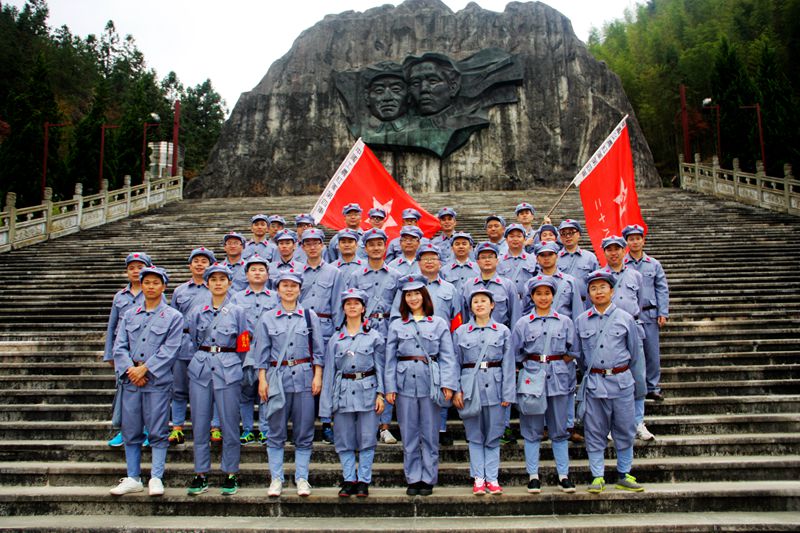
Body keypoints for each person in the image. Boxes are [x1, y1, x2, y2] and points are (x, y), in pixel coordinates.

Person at [109, 266, 182, 497]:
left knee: (158, 429)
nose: (151, 287)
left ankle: (156, 476)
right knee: (130, 430)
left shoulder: (173, 316)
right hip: (131, 380)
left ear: (163, 286)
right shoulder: (129, 314)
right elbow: (119, 345)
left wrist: (145, 370)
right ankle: (133, 476)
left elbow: (170, 349)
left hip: (156, 381)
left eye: (155, 283)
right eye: (147, 282)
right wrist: (131, 370)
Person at [384, 275, 458, 496]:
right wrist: (390, 387)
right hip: (405, 381)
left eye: (417, 294)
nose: (413, 298)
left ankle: (428, 477)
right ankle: (413, 477)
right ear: (403, 299)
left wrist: (448, 383)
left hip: (430, 382)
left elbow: (447, 356)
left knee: (429, 432)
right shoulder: (397, 324)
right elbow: (390, 358)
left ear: (424, 297)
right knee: (409, 433)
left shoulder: (438, 323)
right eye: (409, 295)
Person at [574, 270, 646, 494]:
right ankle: (597, 475)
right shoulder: (581, 321)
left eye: (602, 287)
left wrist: (639, 387)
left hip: (622, 381)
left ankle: (624, 473)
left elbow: (635, 354)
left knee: (624, 429)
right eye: (593, 288)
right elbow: (580, 357)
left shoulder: (625, 319)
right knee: (594, 431)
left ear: (612, 291)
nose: (598, 292)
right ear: (588, 294)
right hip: (595, 382)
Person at [254, 270, 325, 497]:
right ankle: (276, 478)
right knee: (275, 431)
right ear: (277, 289)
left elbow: (318, 350)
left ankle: (301, 478)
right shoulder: (267, 317)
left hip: (304, 377)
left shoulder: (309, 316)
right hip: (277, 379)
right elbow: (262, 352)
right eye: (284, 285)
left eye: (293, 285)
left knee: (304, 431)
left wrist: (318, 375)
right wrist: (262, 379)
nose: (289, 289)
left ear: (299, 289)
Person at [184, 263, 248, 496]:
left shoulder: (238, 311)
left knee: (229, 421)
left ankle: (230, 472)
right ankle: (200, 473)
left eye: (223, 279)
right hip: (201, 367)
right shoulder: (197, 311)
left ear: (230, 283)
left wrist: (234, 364)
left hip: (228, 366)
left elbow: (243, 343)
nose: (218, 283)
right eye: (214, 279)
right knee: (200, 423)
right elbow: (192, 339)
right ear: (207, 283)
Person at [511, 275, 579, 494]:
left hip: (559, 378)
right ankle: (533, 476)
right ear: (531, 296)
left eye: (547, 293)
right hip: (532, 379)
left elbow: (574, 351)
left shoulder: (565, 321)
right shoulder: (523, 323)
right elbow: (516, 353)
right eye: (538, 293)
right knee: (532, 430)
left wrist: (556, 362)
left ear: (553, 295)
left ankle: (564, 475)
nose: (543, 297)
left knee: (559, 429)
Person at [319, 288, 386, 498]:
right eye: (348, 304)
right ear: (344, 309)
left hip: (367, 389)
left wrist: (381, 393)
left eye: (357, 303)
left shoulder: (374, 336)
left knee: (367, 438)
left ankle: (364, 480)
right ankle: (349, 478)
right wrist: (326, 406)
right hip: (343, 392)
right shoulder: (335, 339)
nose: (352, 306)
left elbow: (381, 367)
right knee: (343, 439)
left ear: (363, 308)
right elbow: (329, 372)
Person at [452, 287, 515, 496]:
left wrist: (508, 393)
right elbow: (454, 363)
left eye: (483, 301)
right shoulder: (461, 332)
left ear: (492, 305)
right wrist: (456, 390)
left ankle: (493, 478)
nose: (479, 304)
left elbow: (508, 364)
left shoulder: (503, 331)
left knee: (494, 435)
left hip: (495, 387)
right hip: (471, 387)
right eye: (475, 301)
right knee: (474, 435)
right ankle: (479, 478)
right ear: (470, 306)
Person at [346, 228, 401, 444]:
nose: (376, 248)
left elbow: (399, 307)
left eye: (380, 244)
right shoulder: (355, 275)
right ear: (365, 248)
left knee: (387, 376)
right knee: (364, 374)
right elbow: (349, 304)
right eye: (372, 244)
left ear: (385, 247)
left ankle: (385, 426)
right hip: (364, 329)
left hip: (388, 329)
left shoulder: (396, 276)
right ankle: (366, 423)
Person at [600, 235, 653, 441]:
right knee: (612, 378)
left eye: (617, 249)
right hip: (608, 330)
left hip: (632, 326)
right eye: (609, 249)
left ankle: (638, 421)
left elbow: (638, 302)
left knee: (638, 376)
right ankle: (614, 424)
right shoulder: (599, 276)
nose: (613, 253)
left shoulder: (635, 276)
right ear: (604, 252)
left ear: (624, 251)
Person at [299, 227, 345, 444]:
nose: (312, 246)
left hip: (326, 328)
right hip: (301, 329)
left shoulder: (334, 272)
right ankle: (305, 422)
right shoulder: (296, 273)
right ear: (302, 247)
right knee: (305, 374)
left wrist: (338, 331)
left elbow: (338, 303)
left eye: (316, 242)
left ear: (322, 245)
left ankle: (326, 421)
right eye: (307, 243)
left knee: (326, 376)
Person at [104, 251, 153, 447]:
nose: (135, 271)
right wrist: (110, 353)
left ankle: (148, 430)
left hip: (146, 352)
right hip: (123, 352)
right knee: (124, 393)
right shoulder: (120, 296)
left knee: (148, 394)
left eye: (140, 268)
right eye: (132, 268)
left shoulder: (153, 292)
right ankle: (125, 431)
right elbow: (112, 326)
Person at [169, 247, 216, 446]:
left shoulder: (216, 288)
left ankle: (214, 427)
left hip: (207, 345)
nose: (199, 264)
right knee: (179, 389)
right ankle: (177, 427)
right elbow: (170, 319)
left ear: (211, 265)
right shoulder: (180, 291)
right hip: (183, 344)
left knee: (211, 388)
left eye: (204, 261)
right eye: (196, 261)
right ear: (190, 265)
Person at [230, 255, 278, 446]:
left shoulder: (276, 297)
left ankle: (265, 429)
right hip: (245, 350)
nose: (257, 273)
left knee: (266, 392)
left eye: (261, 270)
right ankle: (248, 429)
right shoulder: (236, 297)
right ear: (246, 274)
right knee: (245, 393)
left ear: (267, 274)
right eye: (253, 270)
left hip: (268, 350)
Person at [622, 224, 669, 402]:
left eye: (637, 238)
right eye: (631, 239)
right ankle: (633, 385)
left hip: (649, 313)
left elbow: (662, 289)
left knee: (651, 352)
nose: (634, 242)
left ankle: (652, 386)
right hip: (629, 315)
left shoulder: (654, 264)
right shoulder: (623, 264)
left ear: (643, 240)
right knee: (629, 352)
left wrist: (662, 311)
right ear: (626, 242)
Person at [557, 219, 599, 308]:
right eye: (564, 234)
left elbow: (596, 283)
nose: (568, 236)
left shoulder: (590, 257)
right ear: (560, 237)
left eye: (571, 233)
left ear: (579, 234)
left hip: (584, 304)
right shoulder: (555, 258)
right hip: (561, 305)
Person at [497, 223, 538, 304]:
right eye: (511, 236)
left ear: (524, 239)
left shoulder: (533, 259)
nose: (515, 239)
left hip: (528, 303)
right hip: (506, 302)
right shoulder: (498, 261)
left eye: (519, 236)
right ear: (506, 240)